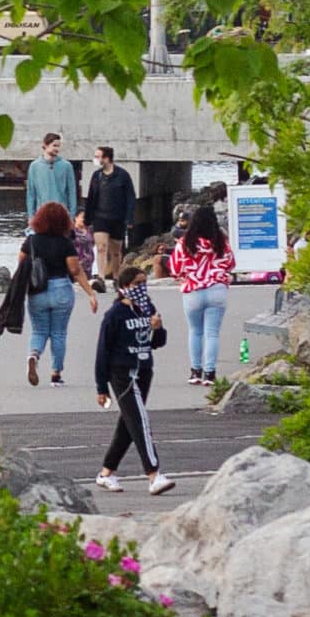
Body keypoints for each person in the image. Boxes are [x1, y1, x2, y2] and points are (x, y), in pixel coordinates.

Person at [94, 259, 175, 495]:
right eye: (139, 283)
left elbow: (157, 343)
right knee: (140, 421)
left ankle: (106, 472)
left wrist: (157, 328)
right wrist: (101, 387)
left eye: (145, 283)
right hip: (122, 373)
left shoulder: (147, 307)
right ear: (126, 286)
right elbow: (102, 351)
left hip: (144, 370)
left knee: (128, 424)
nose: (143, 288)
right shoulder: (115, 315)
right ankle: (154, 473)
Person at [21, 198, 98, 387]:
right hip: (61, 289)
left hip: (37, 290)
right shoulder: (65, 243)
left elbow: (21, 266)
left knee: (39, 330)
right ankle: (56, 374)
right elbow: (75, 270)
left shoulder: (31, 241)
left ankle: (34, 355)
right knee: (59, 333)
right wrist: (90, 293)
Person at [168, 199, 235, 389]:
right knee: (212, 334)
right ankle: (210, 373)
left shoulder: (185, 243)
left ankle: (195, 372)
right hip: (217, 290)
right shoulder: (220, 243)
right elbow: (231, 264)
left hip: (193, 290)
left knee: (195, 332)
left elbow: (174, 268)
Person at [79, 143, 138, 286]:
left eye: (98, 156)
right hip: (100, 217)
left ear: (106, 158)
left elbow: (130, 197)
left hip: (117, 217)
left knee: (116, 252)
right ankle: (101, 278)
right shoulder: (96, 175)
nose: (96, 159)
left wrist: (129, 217)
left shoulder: (122, 175)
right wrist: (87, 219)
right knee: (101, 248)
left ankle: (117, 277)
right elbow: (91, 197)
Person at [24, 130, 78, 223]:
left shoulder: (66, 165)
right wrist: (31, 216)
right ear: (45, 145)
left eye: (58, 146)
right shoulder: (34, 166)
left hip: (61, 214)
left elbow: (72, 192)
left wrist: (72, 215)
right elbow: (31, 193)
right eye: (54, 145)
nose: (57, 149)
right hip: (41, 213)